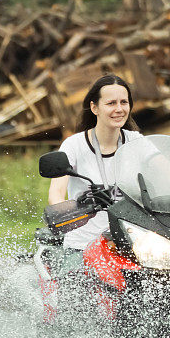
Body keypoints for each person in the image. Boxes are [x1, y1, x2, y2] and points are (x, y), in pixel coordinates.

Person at [47, 74, 143, 251]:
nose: (119, 109)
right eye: (111, 103)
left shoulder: (136, 141)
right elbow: (56, 192)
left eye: (124, 102)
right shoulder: (74, 145)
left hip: (132, 242)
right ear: (94, 107)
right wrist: (62, 214)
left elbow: (168, 171)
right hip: (83, 245)